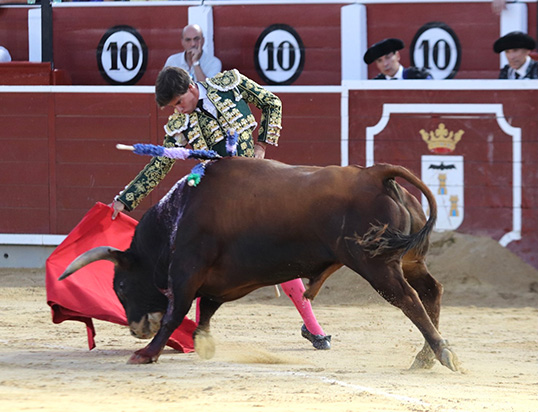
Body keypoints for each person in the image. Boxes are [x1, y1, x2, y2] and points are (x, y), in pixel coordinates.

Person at [111, 67, 331, 350]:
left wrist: (261, 145)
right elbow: (160, 163)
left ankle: (311, 327)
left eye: (179, 102)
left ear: (192, 88)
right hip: (219, 201)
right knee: (204, 257)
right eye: (173, 106)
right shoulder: (180, 123)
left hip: (257, 186)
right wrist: (125, 199)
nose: (178, 110)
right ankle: (202, 330)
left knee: (282, 252)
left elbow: (271, 102)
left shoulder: (230, 83)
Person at [363, 38, 432, 80]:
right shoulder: (376, 84)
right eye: (379, 61)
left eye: (388, 57)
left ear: (397, 56)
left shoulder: (419, 77)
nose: (385, 64)